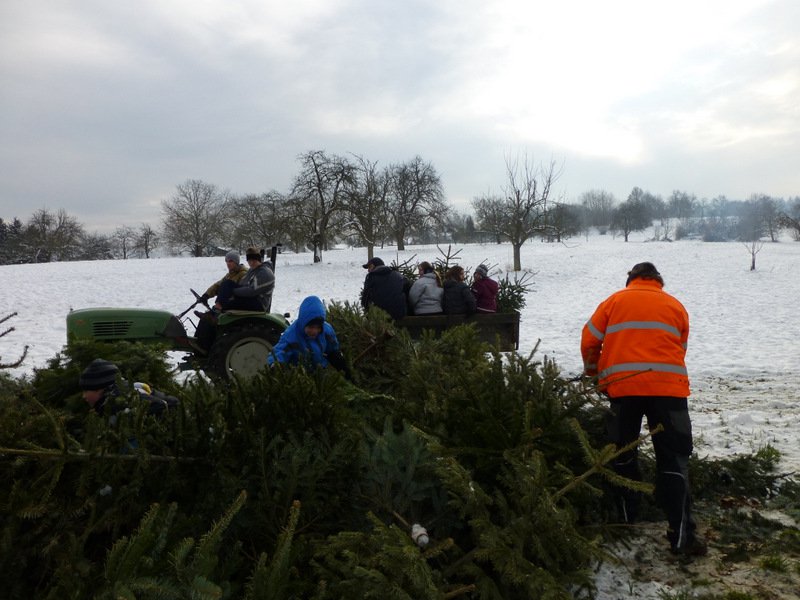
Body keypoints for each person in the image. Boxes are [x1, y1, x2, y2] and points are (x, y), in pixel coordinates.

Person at [580, 262, 705, 557]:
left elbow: (589, 341)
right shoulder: (675, 306)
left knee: (622, 452)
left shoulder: (614, 302)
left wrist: (594, 373)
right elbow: (680, 347)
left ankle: (625, 520)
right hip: (669, 392)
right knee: (674, 459)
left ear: (631, 280)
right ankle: (681, 537)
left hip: (623, 389)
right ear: (658, 281)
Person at [267, 295, 350, 376]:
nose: (314, 331)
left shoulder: (326, 331)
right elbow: (280, 351)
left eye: (318, 327)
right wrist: (275, 364)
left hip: (319, 369)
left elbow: (332, 349)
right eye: (311, 327)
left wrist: (338, 361)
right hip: (298, 374)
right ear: (303, 323)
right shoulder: (291, 335)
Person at [79, 358, 176, 419]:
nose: (83, 396)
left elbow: (162, 405)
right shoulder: (110, 398)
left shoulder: (120, 399)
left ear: (99, 388)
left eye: (86, 390)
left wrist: (130, 415)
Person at [216, 247, 275, 313]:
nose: (251, 263)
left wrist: (233, 291)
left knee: (230, 303)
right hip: (251, 298)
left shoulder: (265, 272)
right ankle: (218, 305)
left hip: (259, 303)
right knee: (227, 283)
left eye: (254, 261)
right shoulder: (252, 270)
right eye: (249, 261)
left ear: (258, 260)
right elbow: (242, 283)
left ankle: (220, 309)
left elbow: (252, 291)